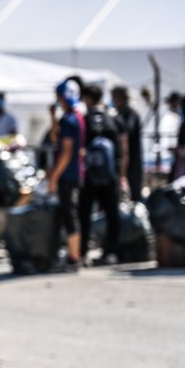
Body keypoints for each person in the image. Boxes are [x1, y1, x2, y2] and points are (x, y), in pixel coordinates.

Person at [79, 84, 124, 266]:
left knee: (84, 214)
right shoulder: (113, 118)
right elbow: (123, 147)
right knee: (112, 214)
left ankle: (82, 252)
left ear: (88, 98)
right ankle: (111, 252)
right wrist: (121, 174)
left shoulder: (85, 118)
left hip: (89, 176)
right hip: (110, 175)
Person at [46, 79, 86, 271]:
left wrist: (54, 176)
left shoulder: (71, 120)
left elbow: (66, 152)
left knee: (69, 214)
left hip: (68, 175)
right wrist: (53, 117)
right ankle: (72, 254)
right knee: (68, 213)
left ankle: (74, 257)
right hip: (74, 173)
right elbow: (55, 138)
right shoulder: (75, 117)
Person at [110, 85, 142, 201]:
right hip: (122, 160)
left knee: (133, 193)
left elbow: (127, 130)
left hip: (132, 160)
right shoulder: (119, 113)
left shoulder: (130, 113)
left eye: (114, 97)